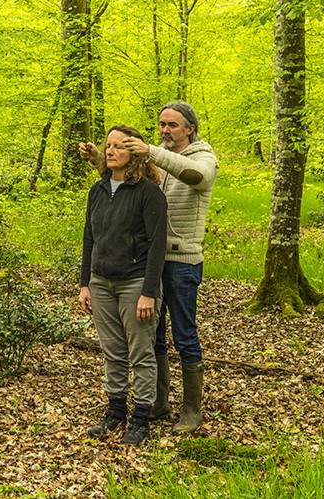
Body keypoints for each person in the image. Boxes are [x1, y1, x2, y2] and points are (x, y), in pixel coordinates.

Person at [80, 101, 218, 434]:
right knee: (152, 336)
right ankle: (157, 402)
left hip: (181, 260)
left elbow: (196, 177)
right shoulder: (157, 159)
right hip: (146, 262)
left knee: (184, 335)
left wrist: (151, 151)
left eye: (173, 125)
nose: (165, 130)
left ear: (190, 128)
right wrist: (100, 158)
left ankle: (192, 410)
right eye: (161, 124)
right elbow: (130, 178)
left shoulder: (203, 157)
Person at [79, 125, 167, 445]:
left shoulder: (148, 192)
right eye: (109, 145)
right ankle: (115, 411)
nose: (111, 150)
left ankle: (140, 419)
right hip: (101, 283)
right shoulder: (98, 190)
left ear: (135, 154)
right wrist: (85, 284)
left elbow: (157, 245)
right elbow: (90, 239)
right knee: (112, 352)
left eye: (120, 146)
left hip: (135, 284)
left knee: (141, 353)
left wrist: (148, 293)